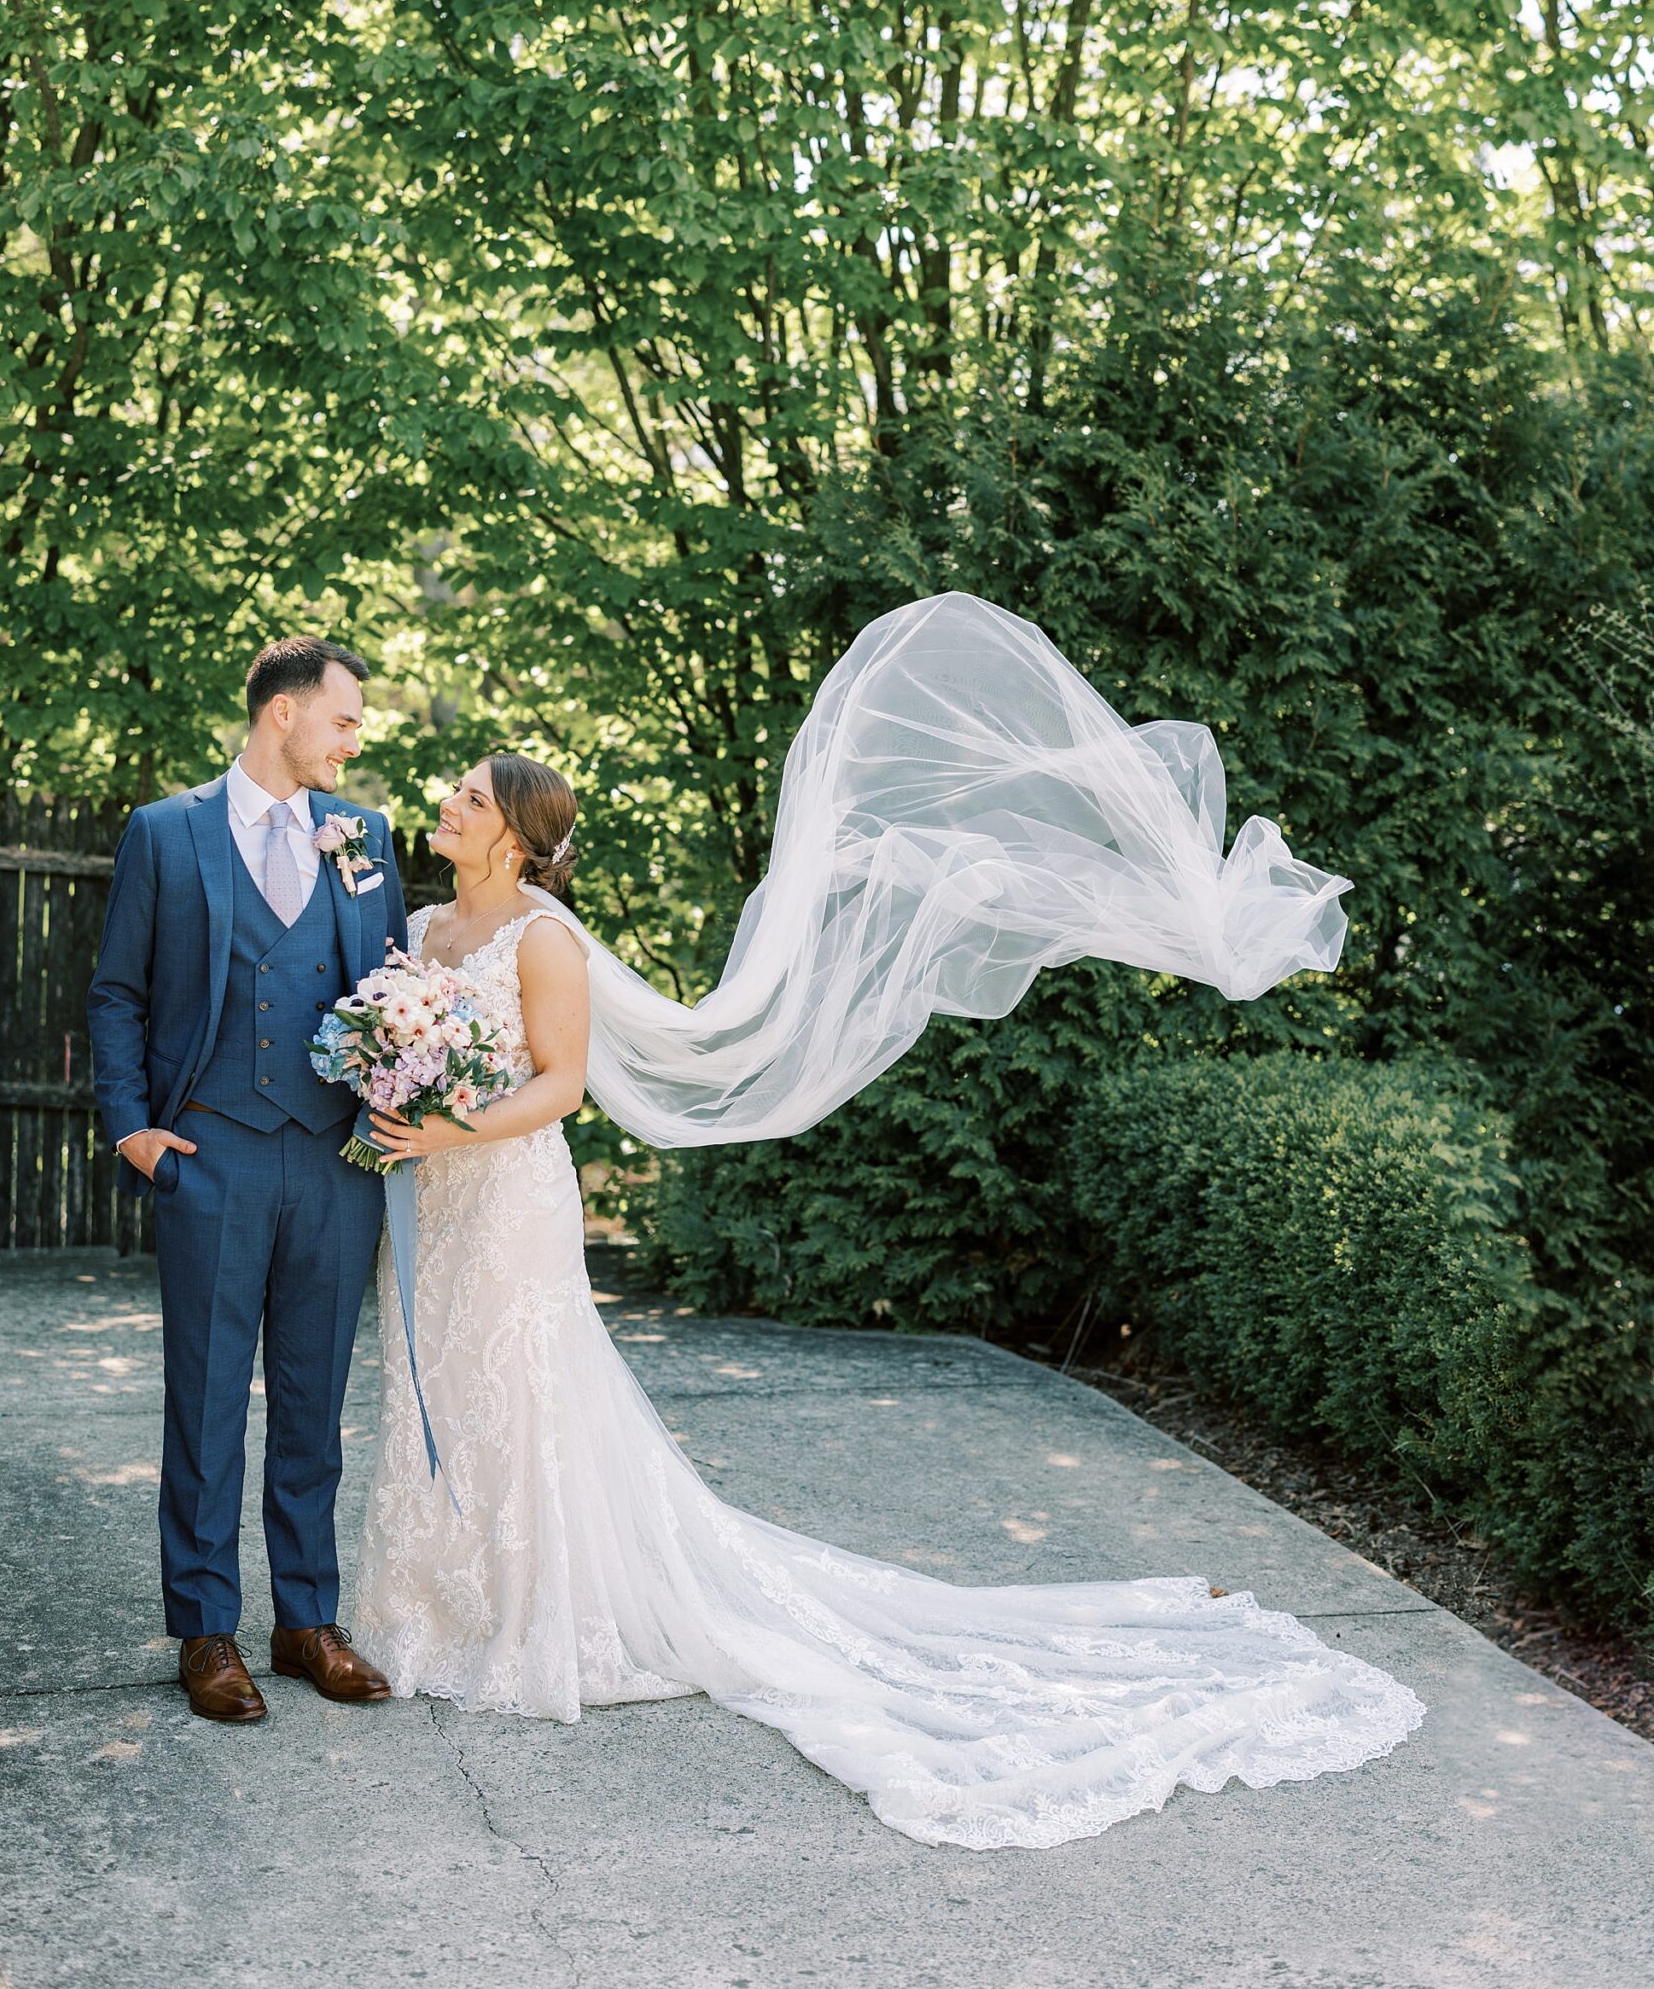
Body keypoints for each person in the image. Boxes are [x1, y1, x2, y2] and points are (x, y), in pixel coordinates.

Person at [351, 593, 1426, 1851]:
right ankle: (439, 1601)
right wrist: (399, 1096)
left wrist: (444, 1128)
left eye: (473, 795)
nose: (449, 801)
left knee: (520, 1387)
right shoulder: (423, 926)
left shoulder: (546, 939)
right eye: (459, 791)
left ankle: (538, 1614)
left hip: (503, 1188)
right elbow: (406, 1038)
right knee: (435, 1381)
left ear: (521, 837)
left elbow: (561, 1087)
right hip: (429, 1194)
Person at [88, 636, 407, 1722]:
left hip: (334, 1160)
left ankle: (307, 1620)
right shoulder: (166, 832)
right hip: (211, 1154)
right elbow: (117, 993)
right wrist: (133, 1128)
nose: (354, 740)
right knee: (208, 1399)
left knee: (315, 1404)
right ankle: (207, 1630)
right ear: (283, 712)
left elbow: (394, 988)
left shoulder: (364, 837)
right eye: (345, 719)